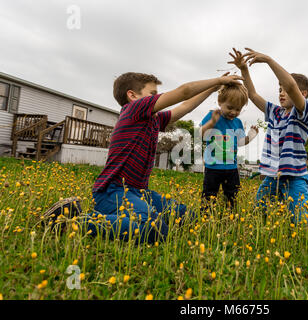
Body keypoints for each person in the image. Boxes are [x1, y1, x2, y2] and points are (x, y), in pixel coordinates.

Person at [44, 71, 243, 244]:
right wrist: (217, 80)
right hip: (112, 190)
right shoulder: (134, 110)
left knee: (187, 218)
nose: (156, 98)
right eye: (153, 94)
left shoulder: (153, 118)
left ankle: (112, 217)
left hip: (139, 192)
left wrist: (214, 87)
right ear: (132, 96)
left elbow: (185, 107)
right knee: (156, 229)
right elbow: (184, 91)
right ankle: (72, 222)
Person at [228, 48, 308, 223]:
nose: (281, 92)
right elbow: (252, 94)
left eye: (285, 90)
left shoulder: (303, 112)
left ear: (302, 94)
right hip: (273, 176)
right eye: (279, 89)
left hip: (295, 176)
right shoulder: (275, 112)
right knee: (258, 213)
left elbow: (290, 84)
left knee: (302, 220)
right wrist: (244, 68)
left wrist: (268, 60)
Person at [200, 84, 258, 212]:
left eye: (238, 109)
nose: (233, 112)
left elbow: (241, 142)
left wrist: (250, 136)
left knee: (233, 195)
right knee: (209, 194)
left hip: (231, 168)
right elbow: (201, 135)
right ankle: (205, 217)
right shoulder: (212, 115)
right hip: (213, 167)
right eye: (230, 107)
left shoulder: (237, 122)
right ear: (220, 102)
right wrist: (211, 123)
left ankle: (231, 217)